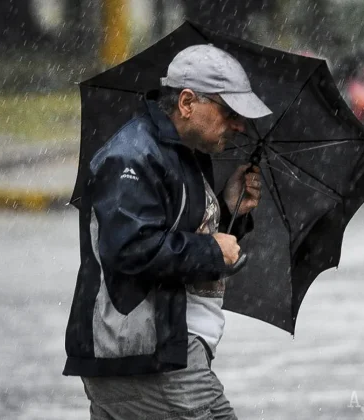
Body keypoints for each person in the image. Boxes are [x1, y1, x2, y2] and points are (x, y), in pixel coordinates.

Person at [63, 44, 272, 419]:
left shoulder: (185, 153)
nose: (240, 125)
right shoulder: (132, 156)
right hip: (147, 357)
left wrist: (227, 208)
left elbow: (175, 232)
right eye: (229, 112)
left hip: (169, 350)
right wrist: (211, 250)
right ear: (188, 102)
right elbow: (129, 249)